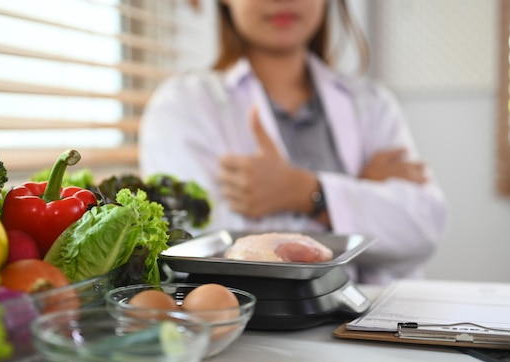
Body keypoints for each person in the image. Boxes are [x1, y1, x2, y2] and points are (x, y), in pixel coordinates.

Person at [138, 0, 449, 284]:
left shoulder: (373, 103)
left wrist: (308, 192)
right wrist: (359, 191)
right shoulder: (182, 105)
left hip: (382, 332)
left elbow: (421, 228)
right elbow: (205, 248)